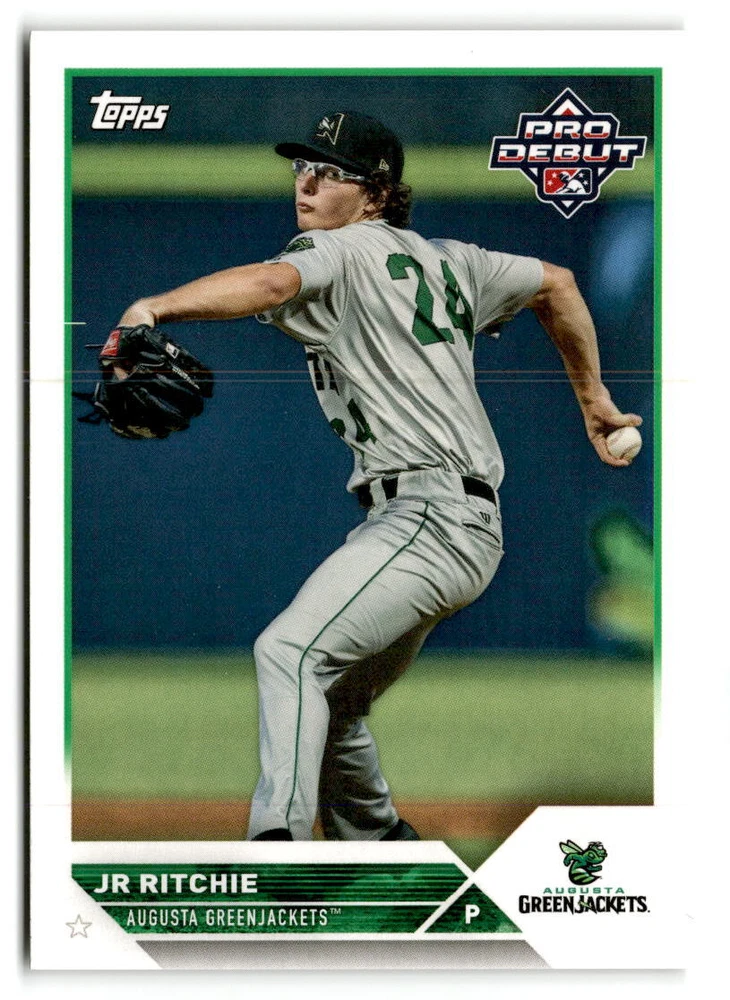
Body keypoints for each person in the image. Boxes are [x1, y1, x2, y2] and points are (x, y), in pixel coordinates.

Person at [114, 110, 642, 842]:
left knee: (289, 652)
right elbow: (557, 283)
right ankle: (381, 845)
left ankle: (278, 849)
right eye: (302, 168)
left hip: (428, 518)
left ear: (376, 194)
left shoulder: (336, 249)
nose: (306, 183)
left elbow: (271, 281)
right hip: (455, 521)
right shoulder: (452, 260)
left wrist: (153, 307)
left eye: (329, 172)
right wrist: (594, 400)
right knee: (333, 700)